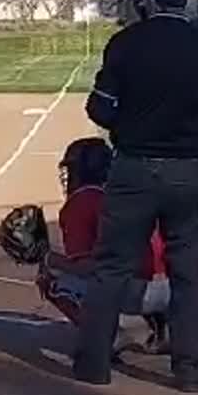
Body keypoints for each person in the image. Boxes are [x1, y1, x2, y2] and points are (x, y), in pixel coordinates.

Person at [74, 0, 198, 391]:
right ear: (183, 0)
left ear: (146, 2)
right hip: (188, 172)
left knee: (111, 266)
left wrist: (133, 122)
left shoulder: (125, 44)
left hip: (133, 168)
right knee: (189, 272)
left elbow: (99, 109)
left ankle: (93, 365)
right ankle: (192, 370)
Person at [36, 138, 170, 355]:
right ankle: (168, 332)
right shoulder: (132, 188)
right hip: (177, 289)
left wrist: (46, 257)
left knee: (51, 277)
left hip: (135, 292)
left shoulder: (81, 201)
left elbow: (86, 267)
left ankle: (111, 336)